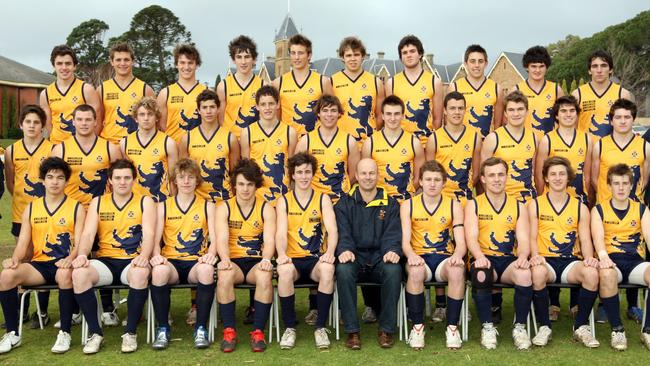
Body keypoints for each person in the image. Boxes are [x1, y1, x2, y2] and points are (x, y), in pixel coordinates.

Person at [70, 159, 156, 354]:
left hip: (132, 260)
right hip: (106, 261)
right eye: (117, 178)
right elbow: (88, 234)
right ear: (110, 180)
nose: (122, 182)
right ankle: (95, 333)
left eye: (127, 177)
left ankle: (130, 333)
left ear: (134, 180)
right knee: (79, 274)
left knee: (141, 274)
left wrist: (144, 255)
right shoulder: (98, 202)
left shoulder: (145, 201)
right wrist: (82, 254)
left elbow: (149, 233)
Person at [0, 158, 84, 354]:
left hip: (65, 264)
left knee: (64, 275)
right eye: (50, 177)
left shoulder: (76, 207)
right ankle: (13, 333)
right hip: (40, 265)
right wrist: (15, 259)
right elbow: (23, 244)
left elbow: (81, 245)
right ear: (42, 180)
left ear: (66, 181)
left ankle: (65, 332)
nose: (55, 182)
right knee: (6, 275)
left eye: (60, 178)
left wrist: (70, 259)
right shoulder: (31, 208)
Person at [528, 157, 600, 348]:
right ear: (546, 178)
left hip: (570, 262)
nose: (558, 178)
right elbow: (532, 236)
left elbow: (585, 239)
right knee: (536, 272)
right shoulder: (535, 204)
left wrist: (589, 258)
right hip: (545, 260)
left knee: (592, 274)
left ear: (569, 177)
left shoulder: (580, 207)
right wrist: (534, 256)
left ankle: (581, 326)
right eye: (553, 174)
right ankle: (544, 326)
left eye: (562, 173)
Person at [464, 157, 533, 350]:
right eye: (491, 175)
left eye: (500, 174)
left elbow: (524, 238)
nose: (496, 179)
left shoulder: (518, 205)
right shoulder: (474, 204)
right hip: (483, 256)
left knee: (525, 273)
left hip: (509, 260)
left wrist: (522, 257)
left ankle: (519, 327)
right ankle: (487, 326)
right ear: (483, 179)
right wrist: (479, 257)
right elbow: (471, 237)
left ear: (507, 177)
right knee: (480, 272)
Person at [591, 98, 649, 325]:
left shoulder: (644, 146)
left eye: (627, 117)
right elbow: (593, 178)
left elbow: (646, 177)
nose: (623, 121)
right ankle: (605, 304)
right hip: (607, 211)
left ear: (633, 120)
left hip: (634, 211)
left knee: (634, 250)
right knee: (605, 256)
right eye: (618, 117)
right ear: (611, 120)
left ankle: (633, 305)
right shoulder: (600, 145)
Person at [335, 158, 402, 350]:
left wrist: (391, 251)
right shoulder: (344, 203)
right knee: (343, 270)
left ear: (378, 176)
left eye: (371, 173)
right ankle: (352, 331)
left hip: (380, 256)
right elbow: (342, 231)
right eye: (363, 173)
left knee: (393, 270)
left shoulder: (390, 203)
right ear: (356, 176)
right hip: (355, 256)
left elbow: (393, 232)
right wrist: (345, 249)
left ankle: (386, 329)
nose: (367, 177)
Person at [149, 159, 217, 350]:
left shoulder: (207, 206)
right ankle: (163, 328)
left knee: (206, 270)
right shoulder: (163, 206)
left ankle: (201, 328)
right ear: (175, 181)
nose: (186, 181)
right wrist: (156, 255)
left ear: (197, 181)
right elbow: (155, 238)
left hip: (196, 262)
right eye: (181, 177)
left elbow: (216, 238)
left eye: (191, 177)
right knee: (159, 272)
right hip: (171, 262)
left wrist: (211, 254)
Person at [534, 95, 591, 321]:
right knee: (551, 242)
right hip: (552, 201)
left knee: (575, 246)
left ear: (578, 115)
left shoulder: (588, 140)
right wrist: (543, 199)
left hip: (577, 201)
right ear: (556, 116)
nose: (568, 115)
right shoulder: (547, 140)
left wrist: (589, 200)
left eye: (572, 111)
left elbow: (590, 176)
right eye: (563, 111)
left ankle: (576, 303)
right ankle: (553, 303)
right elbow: (540, 173)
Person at [401, 160, 467, 350]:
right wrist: (411, 255)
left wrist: (457, 255)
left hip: (443, 258)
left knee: (456, 271)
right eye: (428, 179)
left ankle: (452, 328)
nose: (432, 183)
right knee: (414, 271)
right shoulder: (408, 205)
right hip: (419, 256)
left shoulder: (454, 205)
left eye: (437, 180)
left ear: (444, 182)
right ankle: (418, 328)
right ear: (420, 181)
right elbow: (405, 241)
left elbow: (461, 242)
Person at [4, 105, 60, 328]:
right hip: (21, 213)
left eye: (36, 122)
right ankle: (21, 311)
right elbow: (11, 182)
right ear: (21, 125)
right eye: (28, 122)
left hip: (46, 214)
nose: (32, 126)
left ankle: (42, 311)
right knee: (22, 260)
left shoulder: (52, 149)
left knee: (42, 257)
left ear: (43, 125)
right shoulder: (11, 151)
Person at [275, 152, 338, 350]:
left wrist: (330, 252)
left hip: (314, 260)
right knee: (284, 272)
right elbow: (280, 233)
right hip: (292, 260)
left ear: (313, 174)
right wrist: (282, 253)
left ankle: (320, 328)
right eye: (299, 172)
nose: (304, 176)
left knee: (328, 269)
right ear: (292, 175)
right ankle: (290, 328)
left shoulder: (323, 199)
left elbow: (332, 230)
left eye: (307, 172)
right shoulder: (284, 201)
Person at [215, 159, 276, 353]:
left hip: (256, 262)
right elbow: (221, 239)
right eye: (241, 184)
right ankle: (229, 331)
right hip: (233, 262)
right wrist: (224, 259)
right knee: (224, 274)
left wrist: (266, 259)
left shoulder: (266, 208)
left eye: (250, 184)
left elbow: (270, 240)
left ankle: (258, 332)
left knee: (265, 275)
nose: (245, 189)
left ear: (256, 185)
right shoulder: (224, 207)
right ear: (234, 185)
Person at [592, 164, 650, 350]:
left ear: (631, 185)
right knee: (607, 274)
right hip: (611, 261)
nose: (621, 188)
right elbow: (598, 238)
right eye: (616, 183)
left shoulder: (641, 209)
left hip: (634, 263)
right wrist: (603, 257)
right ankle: (617, 330)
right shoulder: (599, 210)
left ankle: (647, 331)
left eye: (625, 183)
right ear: (609, 186)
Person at [51, 104, 121, 207]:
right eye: (79, 119)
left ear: (95, 122)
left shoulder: (110, 148)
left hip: (101, 209)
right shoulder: (60, 150)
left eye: (88, 119)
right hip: (70, 209)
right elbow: (53, 183)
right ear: (73, 122)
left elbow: (119, 181)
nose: (84, 123)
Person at [295, 94, 359, 202]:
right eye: (325, 110)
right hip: (314, 200)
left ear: (339, 113)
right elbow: (297, 172)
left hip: (341, 200)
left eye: (333, 110)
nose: (329, 114)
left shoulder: (350, 141)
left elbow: (353, 175)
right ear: (318, 113)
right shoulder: (306, 141)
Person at [240, 85, 297, 204]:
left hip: (283, 195)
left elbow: (292, 167)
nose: (267, 108)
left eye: (271, 103)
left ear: (278, 104)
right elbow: (246, 169)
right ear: (257, 107)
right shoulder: (247, 133)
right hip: (257, 197)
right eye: (263, 104)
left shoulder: (289, 132)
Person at [180, 89, 240, 203]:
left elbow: (235, 174)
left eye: (212, 107)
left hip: (224, 200)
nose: (208, 111)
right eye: (204, 107)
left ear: (218, 109)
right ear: (198, 110)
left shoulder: (230, 138)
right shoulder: (187, 139)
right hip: (197, 202)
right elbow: (183, 174)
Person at [362, 95, 424, 202]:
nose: (392, 118)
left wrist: (406, 193)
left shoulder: (414, 143)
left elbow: (419, 177)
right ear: (382, 116)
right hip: (379, 204)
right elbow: (365, 177)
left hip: (405, 204)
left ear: (403, 116)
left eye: (396, 114)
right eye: (388, 114)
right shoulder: (370, 143)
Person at [481, 90, 537, 203]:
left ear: (527, 112)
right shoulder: (493, 139)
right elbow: (483, 175)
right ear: (505, 113)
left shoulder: (534, 138)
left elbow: (536, 173)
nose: (516, 114)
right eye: (511, 110)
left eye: (520, 109)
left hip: (529, 201)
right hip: (503, 202)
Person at [426, 91, 481, 206]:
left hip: (466, 200)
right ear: (445, 110)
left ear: (465, 110)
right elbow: (430, 172)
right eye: (452, 108)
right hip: (441, 201)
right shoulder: (434, 139)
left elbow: (476, 174)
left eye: (460, 108)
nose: (457, 112)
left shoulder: (475, 137)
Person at [273, 34, 332, 136]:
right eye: (293, 53)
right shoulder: (278, 83)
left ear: (309, 55)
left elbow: (332, 115)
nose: (296, 57)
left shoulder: (323, 82)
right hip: (289, 143)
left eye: (300, 53)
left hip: (315, 143)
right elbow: (276, 118)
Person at [385, 35, 441, 144]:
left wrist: (431, 142)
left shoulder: (435, 82)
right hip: (400, 143)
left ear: (420, 54)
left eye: (412, 51)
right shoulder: (391, 83)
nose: (408, 55)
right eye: (404, 53)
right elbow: (388, 117)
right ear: (401, 57)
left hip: (426, 143)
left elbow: (437, 118)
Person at [120, 96, 178, 202]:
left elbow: (173, 178)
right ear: (136, 118)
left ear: (156, 118)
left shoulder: (168, 143)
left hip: (161, 201)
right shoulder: (125, 143)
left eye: (150, 114)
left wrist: (173, 203)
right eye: (142, 114)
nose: (146, 118)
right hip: (134, 203)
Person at [40, 45, 100, 144]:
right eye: (59, 63)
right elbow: (49, 125)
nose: (64, 68)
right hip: (57, 147)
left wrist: (87, 145)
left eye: (68, 63)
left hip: (82, 146)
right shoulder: (45, 94)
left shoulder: (86, 90)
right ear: (53, 66)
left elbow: (96, 122)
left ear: (74, 66)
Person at [98, 42, 155, 143]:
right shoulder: (102, 89)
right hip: (109, 145)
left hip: (136, 145)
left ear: (133, 61)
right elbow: (97, 121)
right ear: (112, 62)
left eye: (126, 60)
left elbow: (154, 121)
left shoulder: (145, 89)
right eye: (118, 60)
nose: (122, 64)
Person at [331, 37, 384, 144]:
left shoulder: (375, 82)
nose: (353, 59)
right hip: (340, 143)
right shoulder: (332, 82)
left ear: (363, 56)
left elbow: (380, 116)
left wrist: (370, 137)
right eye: (349, 55)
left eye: (356, 55)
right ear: (342, 57)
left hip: (368, 144)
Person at [572, 50, 634, 139]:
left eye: (604, 65)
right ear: (589, 70)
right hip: (586, 150)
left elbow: (627, 128)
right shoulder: (577, 94)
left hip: (612, 150)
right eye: (595, 66)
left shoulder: (623, 94)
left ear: (611, 69)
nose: (599, 70)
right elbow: (572, 127)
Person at [447, 44, 504, 138]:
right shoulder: (454, 87)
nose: (477, 65)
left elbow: (498, 124)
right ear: (466, 63)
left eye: (480, 61)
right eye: (472, 61)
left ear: (486, 64)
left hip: (486, 145)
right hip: (462, 144)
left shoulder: (496, 89)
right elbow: (448, 121)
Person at [157, 44, 207, 143]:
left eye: (190, 63)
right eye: (182, 63)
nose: (186, 67)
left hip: (199, 150)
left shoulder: (206, 92)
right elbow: (161, 126)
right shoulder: (165, 93)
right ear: (176, 64)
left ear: (197, 65)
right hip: (173, 150)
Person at [217, 35, 264, 139]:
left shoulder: (263, 85)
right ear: (234, 59)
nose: (243, 62)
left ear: (254, 59)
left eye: (247, 57)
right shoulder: (223, 86)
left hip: (255, 141)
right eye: (239, 57)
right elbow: (220, 119)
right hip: (230, 142)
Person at [515, 46, 563, 137]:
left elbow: (563, 119)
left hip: (551, 144)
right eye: (533, 66)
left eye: (541, 66)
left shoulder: (556, 90)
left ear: (547, 67)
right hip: (525, 145)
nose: (537, 70)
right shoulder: (516, 90)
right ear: (526, 67)